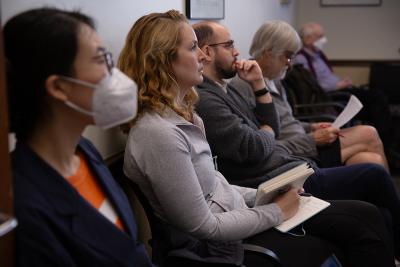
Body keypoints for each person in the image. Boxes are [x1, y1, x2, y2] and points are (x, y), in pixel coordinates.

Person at [118, 10, 396, 267]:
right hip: (222, 246)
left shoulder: (186, 116)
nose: (203, 56)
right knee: (360, 223)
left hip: (246, 214)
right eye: (192, 48)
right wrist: (276, 210)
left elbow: (219, 187)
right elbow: (204, 227)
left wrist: (268, 196)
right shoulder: (158, 134)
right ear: (162, 60)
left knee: (367, 214)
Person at [193, 20, 400, 258]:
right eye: (229, 45)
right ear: (208, 51)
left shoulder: (223, 88)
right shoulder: (208, 98)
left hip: (290, 167)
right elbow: (257, 145)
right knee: (373, 174)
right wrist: (269, 130)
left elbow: (271, 127)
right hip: (279, 180)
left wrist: (260, 86)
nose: (237, 51)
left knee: (372, 177)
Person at [5, 7, 153, 266]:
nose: (114, 74)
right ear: (59, 87)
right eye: (101, 61)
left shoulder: (85, 151)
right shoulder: (25, 201)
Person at [230, 20, 388, 171]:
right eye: (287, 56)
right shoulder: (244, 86)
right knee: (369, 133)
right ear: (268, 53)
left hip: (306, 142)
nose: (289, 63)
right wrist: (313, 138)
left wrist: (311, 126)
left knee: (370, 160)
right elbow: (266, 140)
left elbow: (286, 123)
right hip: (296, 153)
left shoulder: (274, 79)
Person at [293, 22, 393, 150]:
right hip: (331, 95)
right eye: (319, 36)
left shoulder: (318, 56)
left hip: (339, 90)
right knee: (376, 98)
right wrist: (337, 86)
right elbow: (312, 89)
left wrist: (340, 82)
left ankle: (383, 142)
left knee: (376, 101)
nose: (324, 40)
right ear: (307, 39)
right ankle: (385, 144)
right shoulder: (301, 59)